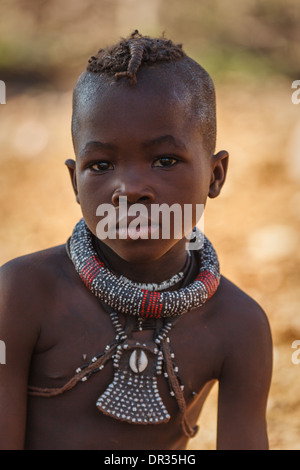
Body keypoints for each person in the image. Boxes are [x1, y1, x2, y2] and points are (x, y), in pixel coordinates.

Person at [0, 31, 272, 450]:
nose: (129, 189)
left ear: (215, 175)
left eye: (165, 160)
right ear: (75, 182)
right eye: (102, 164)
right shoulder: (22, 295)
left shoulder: (238, 325)